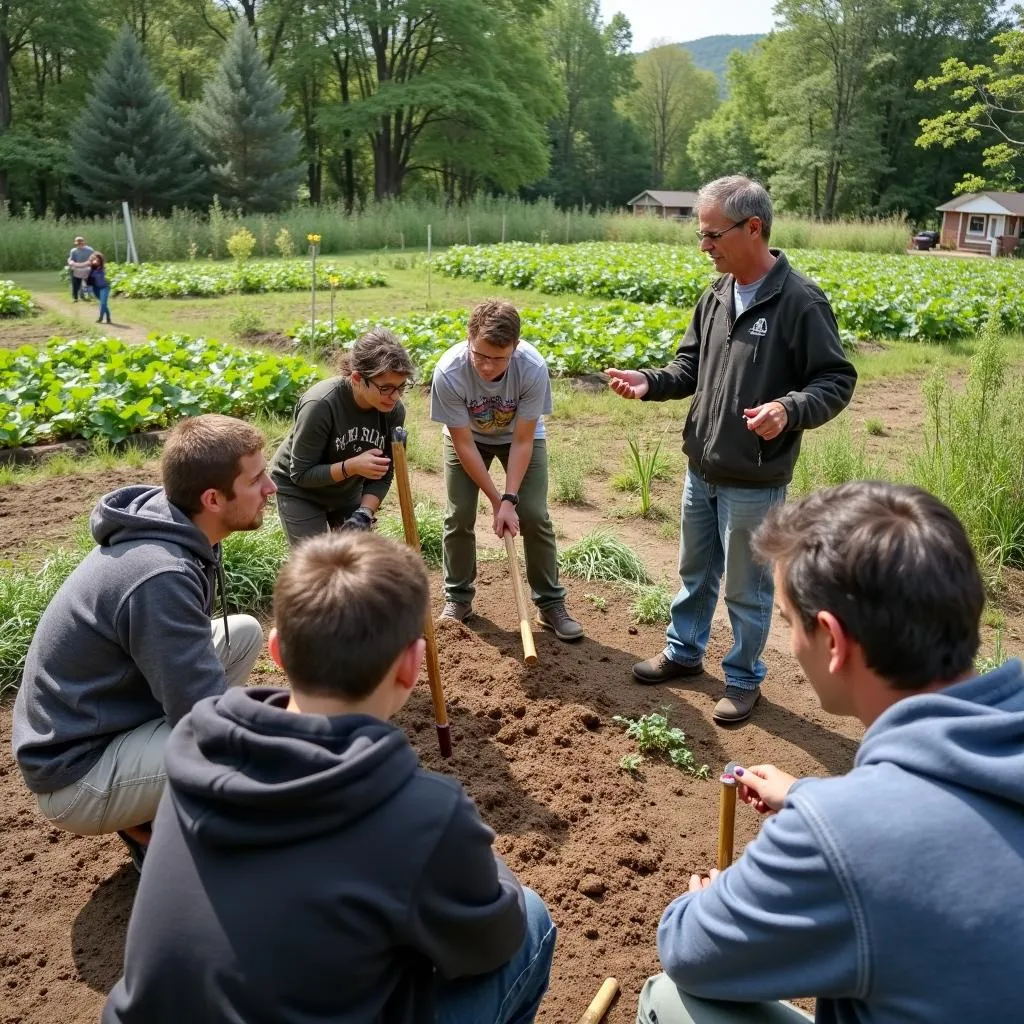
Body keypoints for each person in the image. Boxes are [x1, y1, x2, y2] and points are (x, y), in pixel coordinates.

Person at [103, 531, 557, 1024]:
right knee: (530, 918)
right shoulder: (421, 815)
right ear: (411, 665)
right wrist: (475, 860)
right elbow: (493, 939)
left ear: (276, 650)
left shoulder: (195, 747)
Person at [638, 480, 1024, 1024]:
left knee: (669, 997)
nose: (792, 643)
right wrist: (808, 794)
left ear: (834, 641)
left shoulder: (844, 834)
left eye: (790, 624)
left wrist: (706, 902)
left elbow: (690, 952)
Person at [607, 176, 856, 723]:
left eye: (712, 234)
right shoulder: (716, 295)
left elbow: (836, 380)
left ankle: (743, 678)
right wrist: (650, 382)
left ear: (754, 228)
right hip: (704, 466)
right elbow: (689, 367)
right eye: (701, 234)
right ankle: (684, 652)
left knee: (747, 586)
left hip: (756, 476)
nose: (704, 246)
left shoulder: (800, 301)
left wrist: (789, 408)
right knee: (694, 571)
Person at [11, 414, 276, 870]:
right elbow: (201, 715)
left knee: (243, 633)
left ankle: (153, 807)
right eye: (257, 480)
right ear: (213, 499)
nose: (270, 487)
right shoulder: (161, 575)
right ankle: (171, 840)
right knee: (246, 756)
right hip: (75, 769)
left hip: (98, 718)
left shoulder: (176, 525)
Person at [431, 298, 582, 641]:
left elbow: (524, 440)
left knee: (533, 513)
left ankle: (550, 604)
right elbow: (464, 444)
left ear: (515, 347)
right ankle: (458, 598)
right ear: (468, 339)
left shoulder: (531, 367)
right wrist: (496, 499)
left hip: (519, 437)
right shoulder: (449, 371)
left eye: (498, 358)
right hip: (469, 438)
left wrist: (511, 499)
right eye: (480, 355)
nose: (487, 367)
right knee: (459, 514)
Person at [270, 328, 412, 546]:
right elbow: (300, 474)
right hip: (300, 491)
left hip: (347, 492)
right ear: (357, 378)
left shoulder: (394, 410)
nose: (395, 396)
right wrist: (351, 467)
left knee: (358, 564)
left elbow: (383, 474)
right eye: (385, 388)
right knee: (317, 566)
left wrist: (364, 512)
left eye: (401, 387)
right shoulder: (320, 405)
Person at [88, 251, 112, 325]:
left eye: (98, 260)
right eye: (94, 260)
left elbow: (107, 277)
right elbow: (89, 280)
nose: (96, 261)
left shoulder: (104, 269)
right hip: (96, 288)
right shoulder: (91, 269)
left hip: (104, 287)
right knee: (103, 304)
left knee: (103, 303)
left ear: (101, 260)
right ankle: (108, 316)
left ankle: (101, 318)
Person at [67, 235, 94, 301]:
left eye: (81, 243)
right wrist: (71, 263)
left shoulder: (90, 250)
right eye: (78, 244)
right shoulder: (73, 251)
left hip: (87, 268)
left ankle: (89, 295)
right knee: (75, 283)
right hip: (77, 268)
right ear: (76, 244)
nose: (79, 245)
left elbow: (93, 259)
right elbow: (72, 259)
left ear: (84, 243)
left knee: (89, 283)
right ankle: (75, 298)